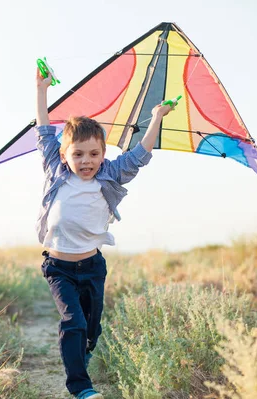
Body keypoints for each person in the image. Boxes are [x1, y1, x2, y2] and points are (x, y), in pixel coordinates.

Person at [35, 68, 173, 399]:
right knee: (74, 322)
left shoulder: (109, 175)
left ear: (103, 153)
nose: (86, 160)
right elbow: (43, 130)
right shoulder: (56, 169)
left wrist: (156, 117)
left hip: (92, 266)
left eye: (94, 153)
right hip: (59, 268)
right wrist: (41, 90)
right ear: (64, 155)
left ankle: (82, 352)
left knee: (91, 328)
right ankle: (81, 387)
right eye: (78, 154)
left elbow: (140, 156)